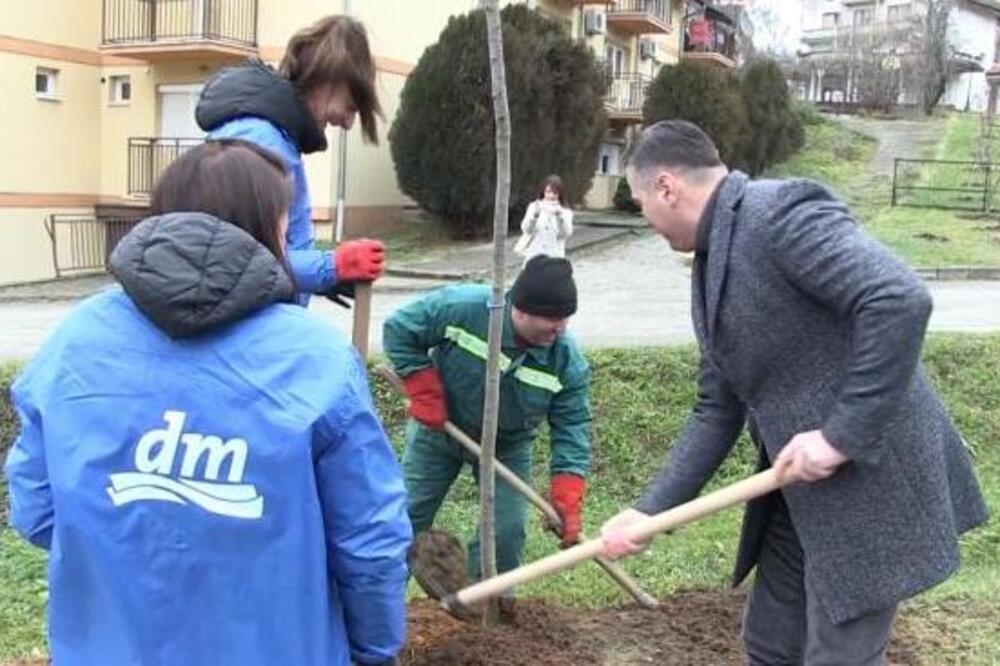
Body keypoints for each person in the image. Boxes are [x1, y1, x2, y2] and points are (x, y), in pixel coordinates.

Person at [4, 140, 411, 666]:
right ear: (268, 228)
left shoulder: (75, 340)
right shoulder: (317, 358)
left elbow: (36, 509)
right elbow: (370, 542)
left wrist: (130, 551)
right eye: (286, 222)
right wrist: (375, 649)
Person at [599, 120, 988, 665]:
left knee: (839, 656)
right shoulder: (709, 263)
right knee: (771, 643)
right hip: (798, 488)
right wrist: (650, 511)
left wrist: (839, 436)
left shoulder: (778, 212)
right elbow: (717, 410)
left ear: (667, 187)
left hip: (869, 483)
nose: (645, 219)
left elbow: (898, 298)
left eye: (641, 204)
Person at [383, 256, 592, 603]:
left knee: (506, 530)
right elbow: (400, 329)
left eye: (565, 318)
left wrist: (567, 492)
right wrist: (423, 386)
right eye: (552, 318)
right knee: (406, 515)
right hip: (440, 430)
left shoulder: (566, 361)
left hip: (507, 446)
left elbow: (572, 426)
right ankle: (380, 601)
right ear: (519, 309)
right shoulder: (464, 308)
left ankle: (482, 606)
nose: (560, 328)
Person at [196, 15, 385, 303]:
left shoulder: (277, 140)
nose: (347, 123)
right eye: (351, 107)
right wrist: (333, 266)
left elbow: (277, 248)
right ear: (330, 80)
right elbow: (238, 259)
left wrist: (325, 280)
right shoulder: (258, 140)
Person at [516, 175, 574, 263]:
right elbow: (526, 230)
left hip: (555, 256)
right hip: (534, 255)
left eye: (555, 193)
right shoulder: (534, 206)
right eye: (548, 192)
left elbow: (565, 233)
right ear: (543, 192)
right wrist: (535, 216)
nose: (551, 195)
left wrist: (559, 217)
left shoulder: (565, 211)